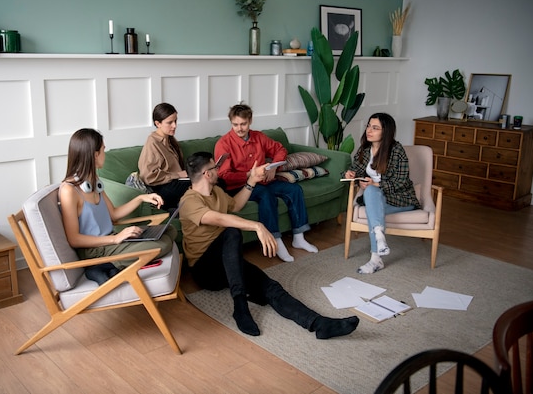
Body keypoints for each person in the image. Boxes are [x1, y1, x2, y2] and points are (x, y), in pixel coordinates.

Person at [179, 151, 359, 339]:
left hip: (227, 261)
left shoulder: (216, 192)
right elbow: (217, 218)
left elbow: (235, 205)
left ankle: (319, 324)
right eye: (215, 167)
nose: (218, 169)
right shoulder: (188, 201)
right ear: (207, 174)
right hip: (205, 270)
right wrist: (257, 225)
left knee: (270, 287)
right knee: (231, 232)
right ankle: (240, 307)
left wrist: (252, 181)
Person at [59, 128, 177, 284]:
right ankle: (101, 266)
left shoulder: (93, 180)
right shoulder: (69, 190)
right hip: (95, 251)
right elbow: (74, 239)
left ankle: (111, 267)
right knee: (162, 244)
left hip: (110, 241)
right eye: (103, 150)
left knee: (169, 230)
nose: (104, 154)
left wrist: (141, 198)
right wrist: (116, 239)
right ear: (95, 155)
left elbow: (113, 214)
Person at [215, 103, 317, 262]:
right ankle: (275, 240)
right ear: (231, 123)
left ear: (250, 121)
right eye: (235, 124)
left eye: (243, 124)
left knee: (294, 189)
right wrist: (250, 174)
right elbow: (224, 176)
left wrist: (273, 168)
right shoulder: (224, 144)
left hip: (264, 181)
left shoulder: (259, 137)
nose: (239, 128)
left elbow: (280, 150)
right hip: (240, 187)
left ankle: (299, 237)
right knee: (266, 195)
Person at [343, 113, 420, 274]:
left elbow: (401, 181)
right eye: (368, 126)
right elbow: (355, 168)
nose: (369, 131)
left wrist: (376, 183)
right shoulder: (365, 149)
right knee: (371, 192)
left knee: (372, 195)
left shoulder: (396, 150)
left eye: (375, 128)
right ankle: (378, 241)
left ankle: (376, 255)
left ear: (386, 131)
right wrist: (349, 174)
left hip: (400, 200)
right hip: (376, 199)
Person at [138, 103, 190, 210]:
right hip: (162, 189)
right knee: (201, 184)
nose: (174, 126)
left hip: (176, 183)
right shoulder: (153, 142)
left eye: (175, 121)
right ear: (158, 123)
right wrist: (178, 175)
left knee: (211, 180)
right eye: (170, 122)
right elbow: (148, 176)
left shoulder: (170, 139)